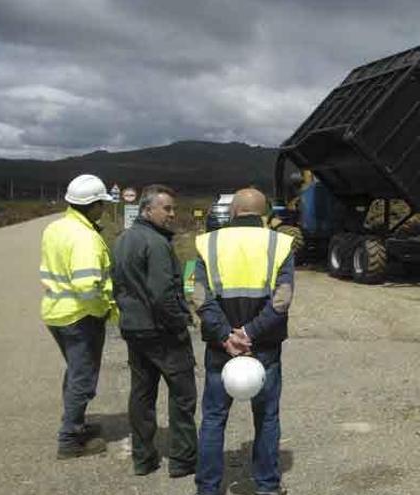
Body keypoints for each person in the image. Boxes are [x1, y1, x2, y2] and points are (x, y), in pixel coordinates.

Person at [193, 188, 295, 495]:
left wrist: (226, 335)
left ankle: (208, 489)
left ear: (234, 211)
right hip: (263, 347)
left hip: (220, 348)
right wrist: (249, 333)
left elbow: (198, 297)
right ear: (263, 214)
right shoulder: (280, 243)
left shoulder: (207, 243)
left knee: (213, 418)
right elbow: (282, 300)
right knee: (266, 418)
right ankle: (267, 487)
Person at [112, 184, 197, 477]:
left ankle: (143, 459)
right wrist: (179, 324)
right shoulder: (157, 244)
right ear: (148, 210)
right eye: (167, 209)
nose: (173, 214)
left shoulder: (122, 240)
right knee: (183, 395)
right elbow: (163, 294)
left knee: (142, 394)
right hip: (161, 332)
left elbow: (119, 285)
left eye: (173, 208)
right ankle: (183, 460)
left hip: (134, 329)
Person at [40, 174, 117, 459]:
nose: (105, 209)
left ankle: (77, 423)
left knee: (75, 372)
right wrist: (102, 309)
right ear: (93, 205)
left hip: (56, 313)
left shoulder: (56, 227)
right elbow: (87, 287)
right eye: (102, 204)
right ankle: (70, 440)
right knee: (83, 378)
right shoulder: (85, 238)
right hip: (80, 316)